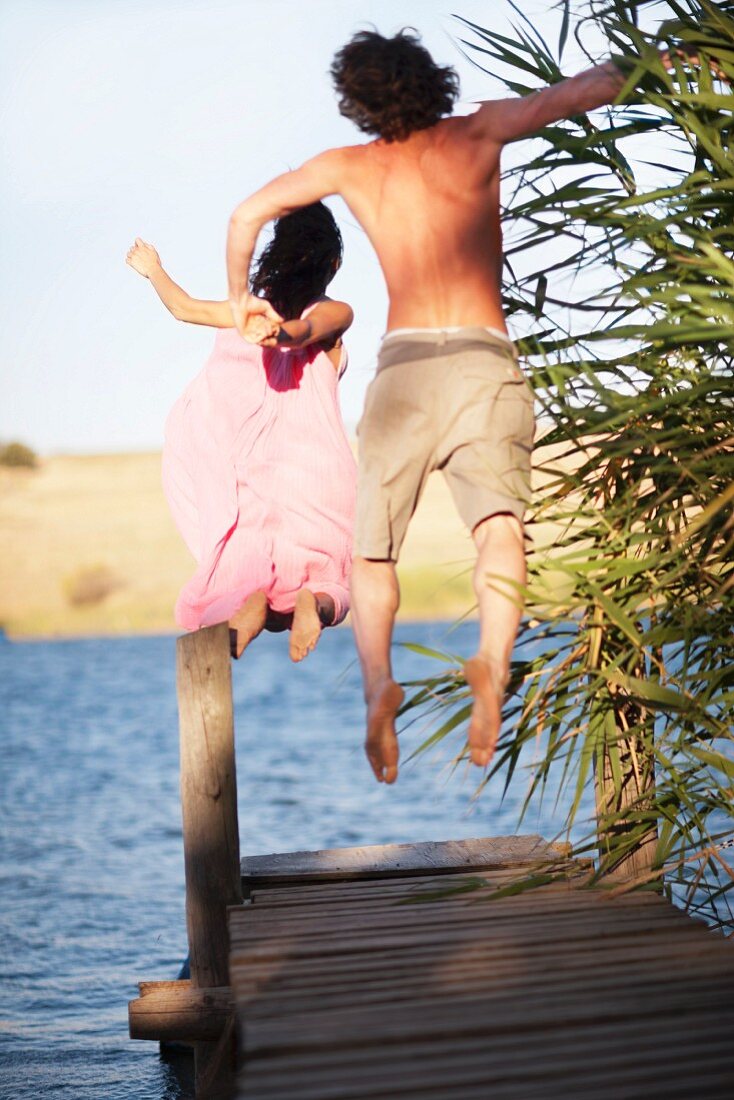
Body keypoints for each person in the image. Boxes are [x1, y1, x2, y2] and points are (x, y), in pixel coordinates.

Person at [223, 30, 691, 781]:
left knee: (372, 553)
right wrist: (670, 57)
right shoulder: (481, 131)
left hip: (405, 369)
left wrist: (240, 297)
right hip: (481, 358)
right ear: (430, 80)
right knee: (501, 531)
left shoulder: (351, 167)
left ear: (358, 99)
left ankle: (379, 688)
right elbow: (588, 87)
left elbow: (246, 215)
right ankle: (493, 668)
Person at [126, 202, 356, 661]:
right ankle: (314, 604)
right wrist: (284, 335)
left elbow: (183, 308)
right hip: (316, 477)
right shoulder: (336, 313)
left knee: (246, 581)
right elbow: (312, 327)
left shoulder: (248, 315)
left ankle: (253, 605)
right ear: (331, 264)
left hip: (251, 479)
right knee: (331, 582)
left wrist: (154, 270)